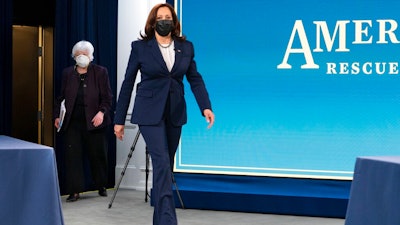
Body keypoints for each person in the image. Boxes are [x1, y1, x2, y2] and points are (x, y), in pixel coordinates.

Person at [113, 3, 215, 225]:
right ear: (153, 21)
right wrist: (119, 119)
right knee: (161, 163)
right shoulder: (140, 47)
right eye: (160, 17)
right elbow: (128, 82)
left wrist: (205, 106)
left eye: (168, 17)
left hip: (174, 112)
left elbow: (194, 78)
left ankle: (159, 220)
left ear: (174, 21)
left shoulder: (186, 47)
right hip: (149, 112)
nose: (164, 20)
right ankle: (169, 221)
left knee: (165, 167)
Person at [54, 40, 112, 202]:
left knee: (98, 155)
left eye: (84, 54)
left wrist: (101, 113)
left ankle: (101, 185)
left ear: (91, 56)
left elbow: (107, 98)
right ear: (74, 57)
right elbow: (60, 98)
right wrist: (57, 116)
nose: (81, 57)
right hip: (73, 122)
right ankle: (74, 191)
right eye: (78, 55)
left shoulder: (101, 72)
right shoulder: (67, 73)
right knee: (73, 156)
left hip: (95, 122)